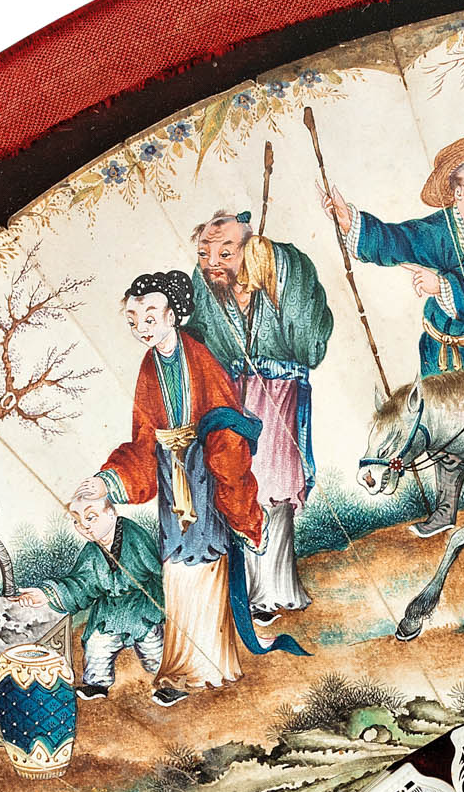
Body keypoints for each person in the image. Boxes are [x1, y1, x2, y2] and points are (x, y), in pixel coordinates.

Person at [85, 272, 304, 708]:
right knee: (176, 570)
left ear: (173, 314)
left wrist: (227, 480)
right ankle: (178, 668)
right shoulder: (149, 366)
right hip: (171, 478)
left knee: (205, 565)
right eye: (133, 320)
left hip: (205, 473)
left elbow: (226, 419)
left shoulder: (201, 357)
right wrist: (109, 479)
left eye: (150, 316)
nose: (142, 327)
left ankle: (207, 668)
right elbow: (143, 438)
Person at [186, 208, 333, 615]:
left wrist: (274, 269)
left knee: (274, 484)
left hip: (278, 394)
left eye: (225, 253)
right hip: (232, 398)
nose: (212, 263)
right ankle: (248, 589)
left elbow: (310, 344)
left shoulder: (282, 271)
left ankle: (275, 589)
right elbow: (200, 339)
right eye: (204, 253)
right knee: (236, 484)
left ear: (250, 250)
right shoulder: (207, 288)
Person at [322, 134, 464, 375]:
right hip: (437, 351)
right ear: (458, 191)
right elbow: (401, 240)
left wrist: (443, 286)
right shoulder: (440, 227)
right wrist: (350, 222)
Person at [16, 484, 164, 699]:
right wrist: (46, 594)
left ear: (111, 513)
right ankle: (97, 684)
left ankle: (166, 681)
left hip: (142, 606)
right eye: (76, 521)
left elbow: (157, 571)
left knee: (153, 647)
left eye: (91, 517)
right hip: (110, 611)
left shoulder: (135, 537)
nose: (84, 526)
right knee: (97, 644)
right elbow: (81, 584)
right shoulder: (92, 551)